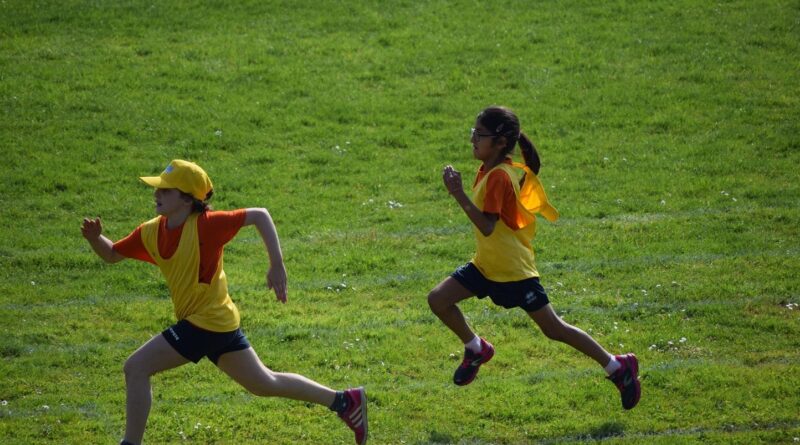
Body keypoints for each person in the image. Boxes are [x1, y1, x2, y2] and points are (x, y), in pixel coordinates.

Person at [81, 159, 368, 445]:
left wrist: (277, 265)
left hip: (207, 322)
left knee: (137, 367)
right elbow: (112, 254)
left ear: (187, 199)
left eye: (165, 190)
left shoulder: (208, 226)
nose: (157, 194)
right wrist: (96, 239)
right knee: (264, 383)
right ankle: (345, 402)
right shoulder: (151, 231)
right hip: (217, 321)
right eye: (158, 188)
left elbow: (260, 215)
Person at [428, 106, 640, 410]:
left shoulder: (500, 176)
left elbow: (488, 226)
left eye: (480, 134)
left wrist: (457, 193)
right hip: (487, 266)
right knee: (438, 299)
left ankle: (618, 368)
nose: (473, 138)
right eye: (473, 132)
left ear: (500, 142)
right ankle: (476, 348)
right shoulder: (488, 169)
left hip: (514, 272)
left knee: (554, 329)